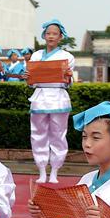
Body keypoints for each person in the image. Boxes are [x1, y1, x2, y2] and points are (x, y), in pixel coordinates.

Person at [27, 19, 75, 184]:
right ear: (44, 36)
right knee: (38, 133)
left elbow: (69, 82)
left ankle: (55, 170)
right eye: (48, 33)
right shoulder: (36, 55)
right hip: (40, 97)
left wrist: (68, 77)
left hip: (59, 98)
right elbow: (32, 82)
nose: (51, 36)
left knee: (59, 134)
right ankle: (41, 169)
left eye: (54, 33)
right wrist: (28, 78)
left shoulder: (67, 57)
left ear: (61, 37)